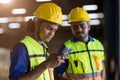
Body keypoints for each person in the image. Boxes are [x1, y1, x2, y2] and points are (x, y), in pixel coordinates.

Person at [9, 2, 65, 80]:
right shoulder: (22, 48)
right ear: (37, 24)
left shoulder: (43, 47)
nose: (51, 33)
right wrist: (46, 64)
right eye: (49, 28)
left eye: (55, 30)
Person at [54, 7, 105, 80]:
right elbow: (58, 74)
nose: (79, 29)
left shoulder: (98, 45)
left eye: (82, 25)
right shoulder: (67, 48)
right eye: (75, 26)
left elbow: (102, 69)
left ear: (88, 26)